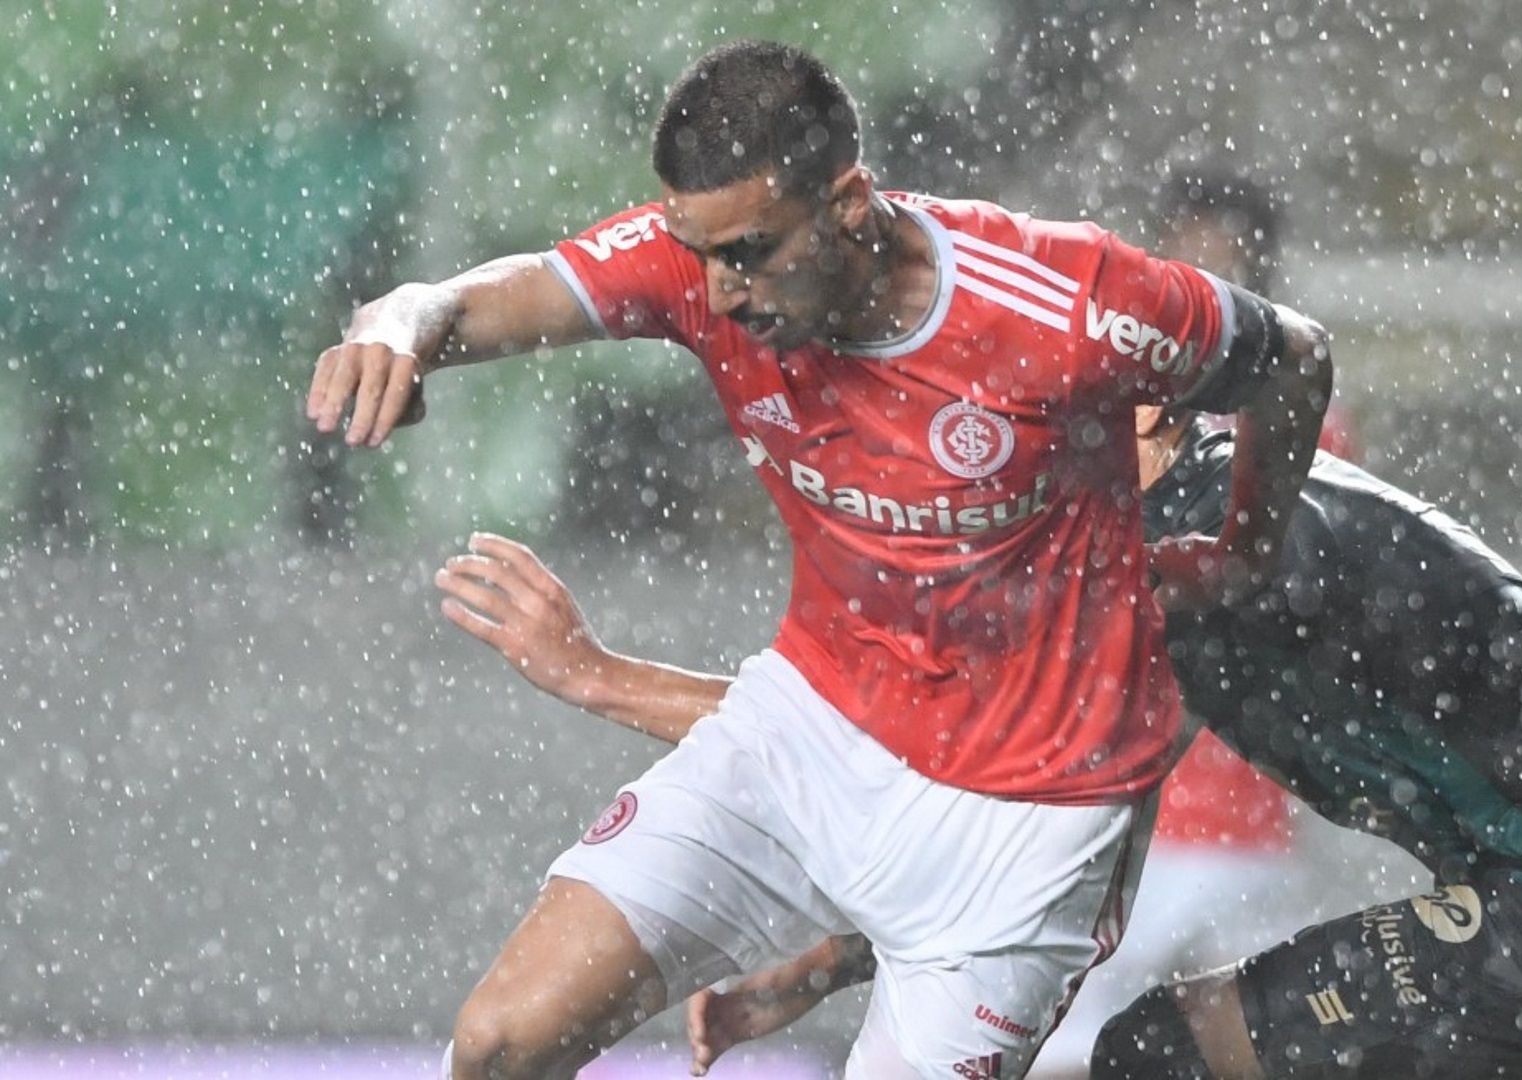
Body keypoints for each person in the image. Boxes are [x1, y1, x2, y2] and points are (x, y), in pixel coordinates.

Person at [306, 41, 1332, 1080]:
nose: (720, 290)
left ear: (849, 203)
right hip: (807, 738)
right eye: (697, 252)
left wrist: (1245, 549)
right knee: (497, 1044)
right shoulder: (701, 269)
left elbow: (1294, 356)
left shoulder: (1062, 302)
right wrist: (400, 323)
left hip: (1031, 833)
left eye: (749, 252)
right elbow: (473, 298)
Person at [458, 409, 1522, 1078]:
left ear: (1141, 424)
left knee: (1161, 1060)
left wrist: (597, 676)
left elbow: (889, 743)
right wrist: (826, 970)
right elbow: (1058, 826)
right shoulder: (1205, 544)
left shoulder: (1182, 549)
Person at [1027, 168, 1348, 1079]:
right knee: (1061, 1029)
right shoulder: (1117, 412)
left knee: (1261, 1035)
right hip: (1131, 807)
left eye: (1223, 259)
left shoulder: (1295, 429)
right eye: (1189, 256)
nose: (1203, 276)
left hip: (1235, 813)